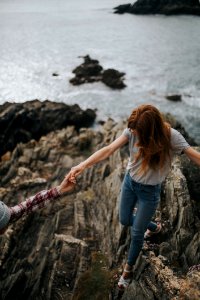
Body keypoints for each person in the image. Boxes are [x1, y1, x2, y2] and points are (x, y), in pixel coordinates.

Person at [65, 104, 200, 290]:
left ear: (150, 132)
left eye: (138, 132)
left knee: (136, 234)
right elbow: (108, 149)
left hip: (149, 192)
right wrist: (82, 165)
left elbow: (196, 157)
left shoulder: (171, 137)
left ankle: (128, 270)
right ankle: (154, 226)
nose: (133, 135)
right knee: (125, 219)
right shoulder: (132, 131)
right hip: (130, 183)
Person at [0, 177, 74, 235]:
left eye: (7, 220)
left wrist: (60, 189)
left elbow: (29, 204)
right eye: (5, 224)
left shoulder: (6, 215)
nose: (7, 225)